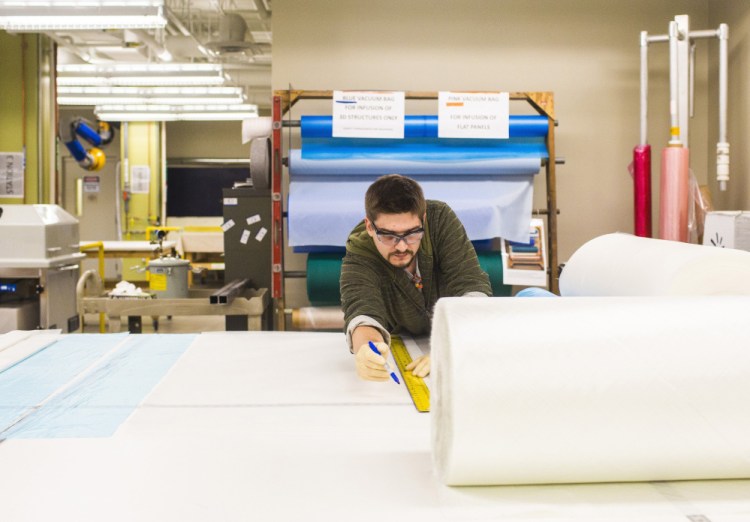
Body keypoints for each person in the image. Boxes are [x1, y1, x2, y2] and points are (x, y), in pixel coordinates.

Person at [340, 174, 492, 381]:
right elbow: (362, 312)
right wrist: (367, 348)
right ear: (369, 227)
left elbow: (472, 287)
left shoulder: (441, 219)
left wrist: (451, 345)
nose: (401, 246)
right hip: (406, 343)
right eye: (388, 236)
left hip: (455, 334)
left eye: (412, 234)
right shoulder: (359, 253)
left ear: (424, 220)